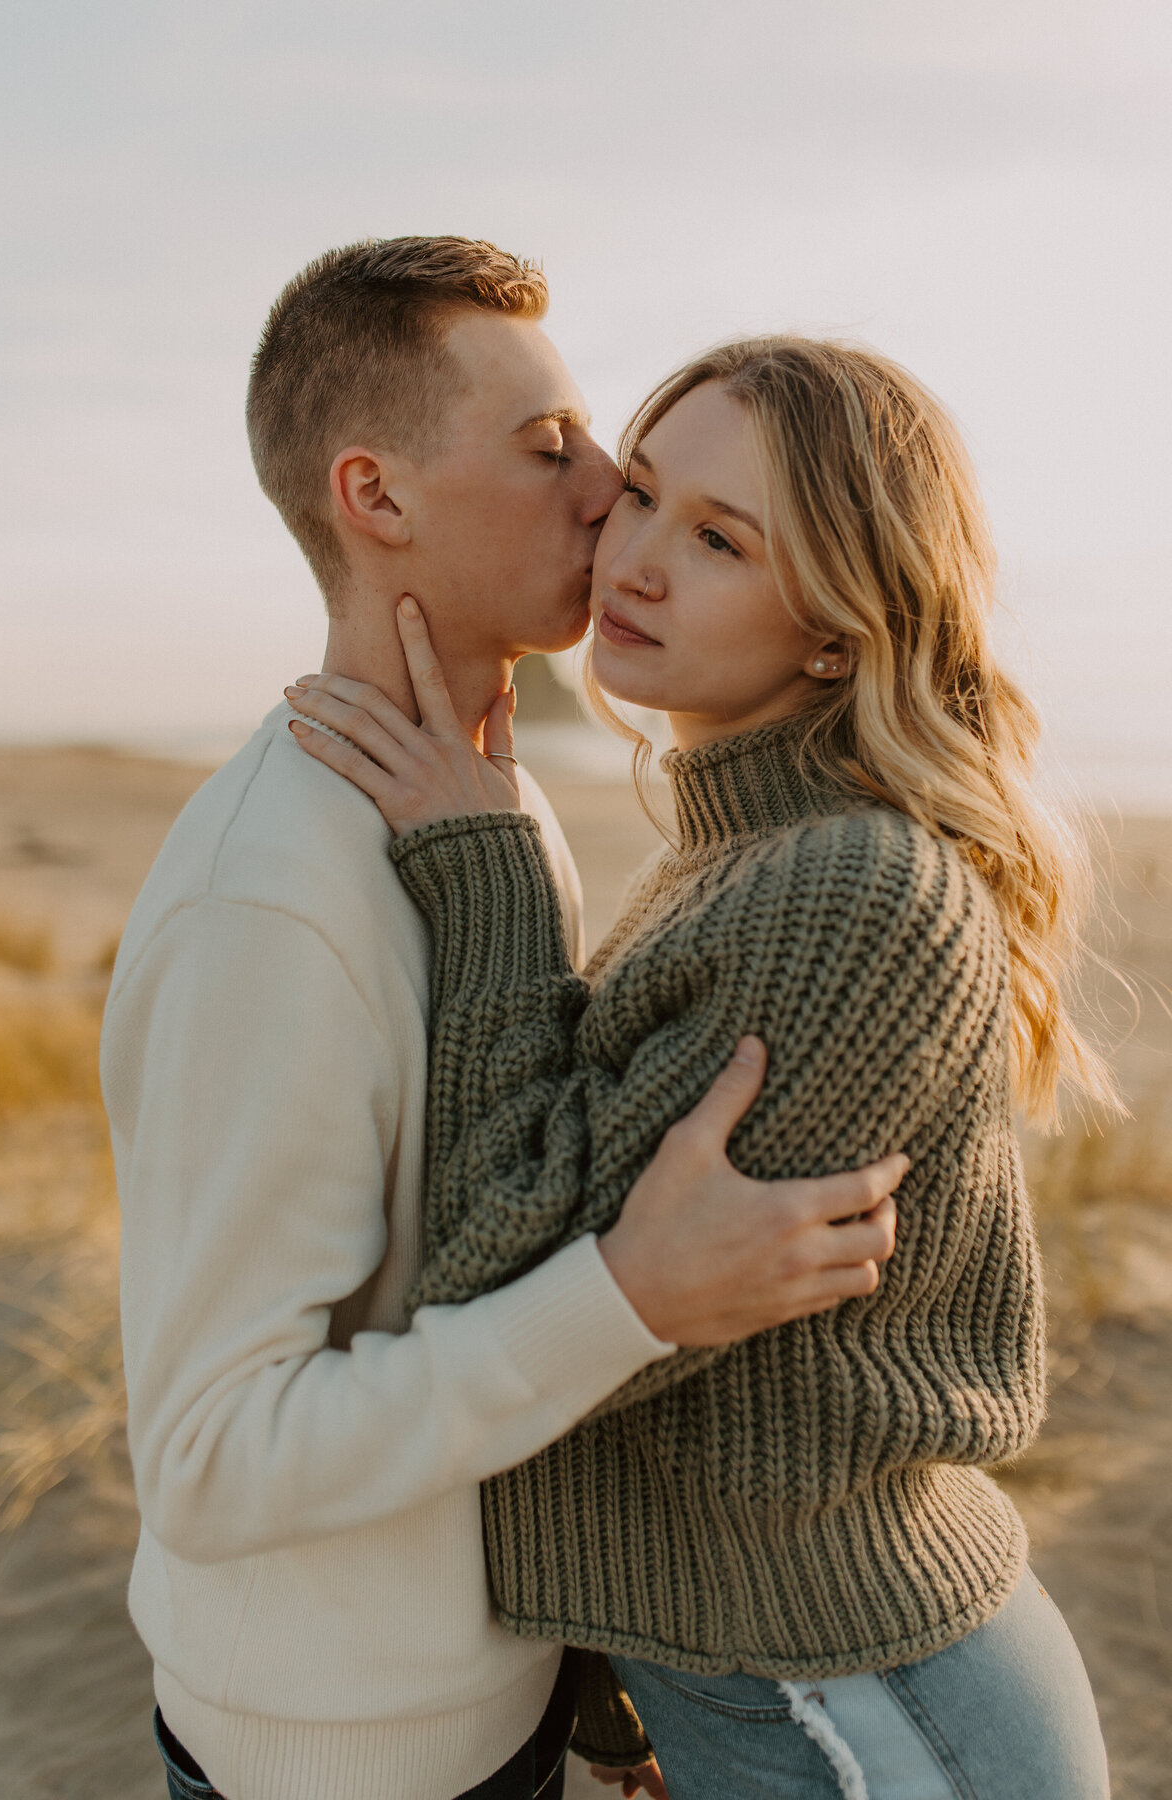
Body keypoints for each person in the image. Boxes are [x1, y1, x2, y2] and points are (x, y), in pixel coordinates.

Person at [101, 240, 906, 1800]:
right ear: (376, 496)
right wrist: (634, 1294)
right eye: (550, 448)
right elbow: (211, 1458)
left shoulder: (497, 810)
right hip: (342, 1762)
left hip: (499, 1701)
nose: (608, 486)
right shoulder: (266, 897)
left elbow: (497, 1209)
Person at [284, 334, 1116, 1799]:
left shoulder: (848, 894)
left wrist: (483, 883)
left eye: (720, 540)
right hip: (789, 1679)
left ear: (840, 635)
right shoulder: (743, 853)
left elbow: (502, 1274)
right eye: (647, 493)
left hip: (856, 1707)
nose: (637, 561)